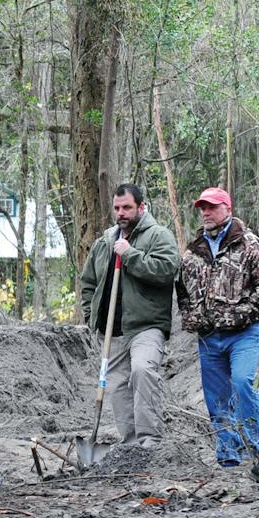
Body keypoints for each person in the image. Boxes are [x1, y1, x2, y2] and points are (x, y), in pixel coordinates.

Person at [175, 186, 259, 469]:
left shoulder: (248, 242)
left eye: (212, 207)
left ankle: (258, 446)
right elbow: (181, 289)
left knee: (243, 383)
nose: (206, 212)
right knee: (216, 398)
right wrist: (191, 316)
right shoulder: (193, 251)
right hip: (209, 338)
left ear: (227, 209)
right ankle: (229, 453)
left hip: (243, 334)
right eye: (203, 208)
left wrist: (244, 312)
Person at [80, 184, 179, 450]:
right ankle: (131, 444)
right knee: (116, 385)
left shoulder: (158, 236)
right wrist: (91, 313)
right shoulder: (104, 242)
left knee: (143, 370)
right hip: (113, 329)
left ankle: (150, 440)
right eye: (117, 208)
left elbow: (167, 270)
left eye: (127, 207)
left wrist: (130, 255)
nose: (121, 213)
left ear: (141, 207)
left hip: (147, 326)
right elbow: (88, 282)